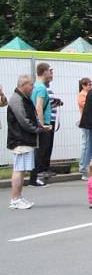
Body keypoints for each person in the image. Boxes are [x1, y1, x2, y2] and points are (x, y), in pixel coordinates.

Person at [7, 75, 47, 210]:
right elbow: (24, 121)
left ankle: (18, 197)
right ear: (23, 85)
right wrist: (38, 130)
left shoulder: (22, 98)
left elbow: (29, 117)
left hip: (24, 139)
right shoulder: (17, 99)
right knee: (19, 169)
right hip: (20, 139)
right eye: (31, 85)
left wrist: (39, 127)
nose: (33, 87)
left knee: (21, 169)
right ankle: (15, 199)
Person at [29, 62, 54, 187]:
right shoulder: (41, 88)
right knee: (40, 151)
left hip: (37, 122)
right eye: (50, 71)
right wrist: (42, 125)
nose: (51, 74)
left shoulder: (35, 86)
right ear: (44, 72)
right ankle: (35, 178)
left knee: (38, 150)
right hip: (42, 124)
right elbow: (38, 106)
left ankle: (34, 178)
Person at [77, 77, 92, 176]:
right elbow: (85, 106)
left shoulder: (88, 94)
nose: (90, 86)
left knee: (88, 144)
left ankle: (86, 164)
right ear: (83, 85)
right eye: (88, 85)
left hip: (89, 121)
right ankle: (82, 166)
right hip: (85, 122)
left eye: (91, 84)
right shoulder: (82, 95)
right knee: (85, 144)